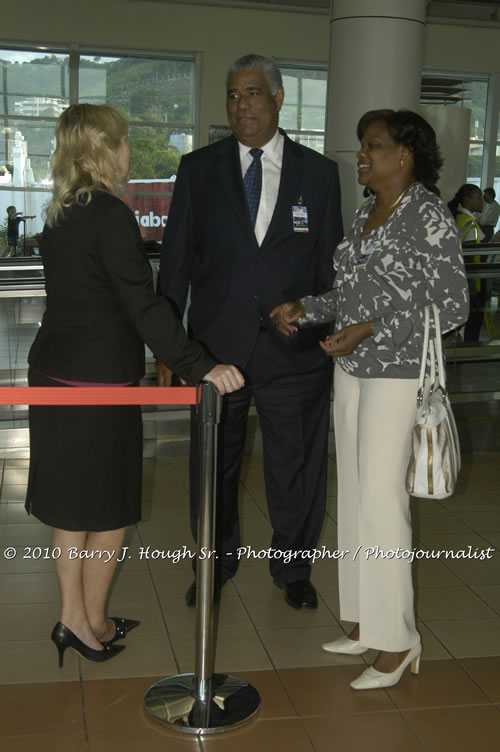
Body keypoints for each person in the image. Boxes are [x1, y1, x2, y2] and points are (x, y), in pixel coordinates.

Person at [25, 104, 244, 667]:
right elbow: (144, 308)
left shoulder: (59, 213)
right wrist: (200, 365)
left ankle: (81, 618)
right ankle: (81, 620)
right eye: (123, 142)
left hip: (54, 375)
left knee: (73, 510)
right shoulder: (110, 216)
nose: (128, 152)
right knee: (110, 510)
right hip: (99, 385)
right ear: (103, 149)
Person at [271, 109, 469, 689]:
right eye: (362, 146)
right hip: (352, 369)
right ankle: (364, 620)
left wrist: (375, 328)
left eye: (373, 146)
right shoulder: (365, 213)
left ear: (404, 155)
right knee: (356, 498)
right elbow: (352, 290)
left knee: (384, 503)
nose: (361, 155)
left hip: (398, 374)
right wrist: (307, 307)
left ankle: (399, 639)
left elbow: (453, 305)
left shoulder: (427, 214)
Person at [158, 54, 343, 610]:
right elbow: (176, 262)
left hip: (295, 350)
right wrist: (170, 345)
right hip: (215, 350)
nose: (243, 105)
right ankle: (215, 560)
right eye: (234, 95)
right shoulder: (199, 168)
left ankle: (293, 570)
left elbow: (333, 266)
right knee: (213, 463)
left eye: (254, 93)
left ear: (279, 97)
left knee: (297, 465)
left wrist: (317, 317)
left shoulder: (319, 173)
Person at [448, 184, 486, 341]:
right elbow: (470, 255)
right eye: (478, 198)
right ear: (467, 199)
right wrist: (471, 286)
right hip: (473, 281)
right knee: (473, 322)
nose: (482, 201)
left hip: (463, 280)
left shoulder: (460, 218)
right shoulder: (470, 225)